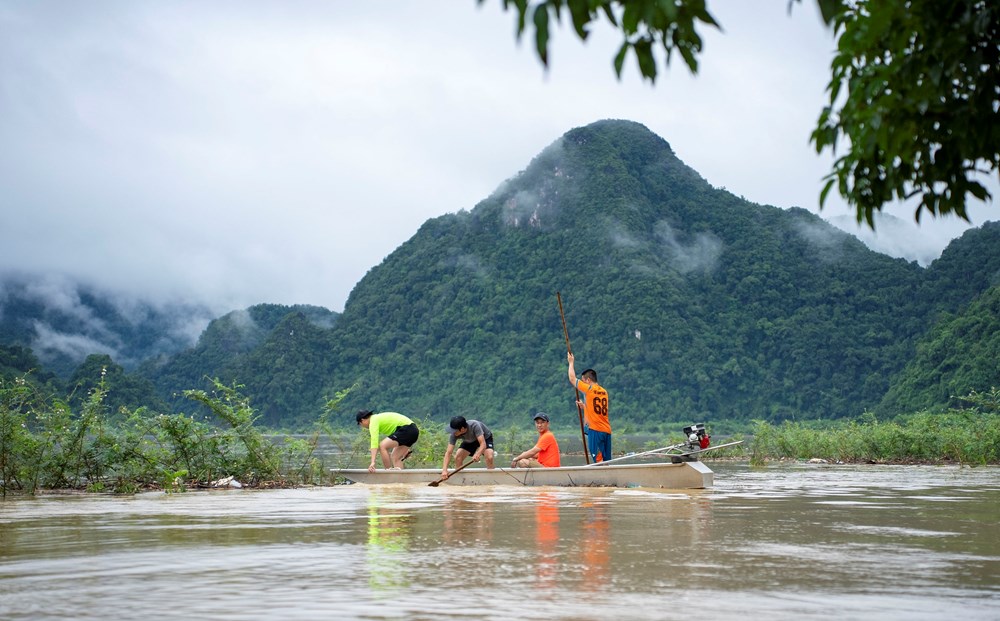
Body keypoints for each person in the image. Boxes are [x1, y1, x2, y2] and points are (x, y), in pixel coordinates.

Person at [568, 352, 611, 462]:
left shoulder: (589, 389)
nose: (583, 384)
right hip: (606, 430)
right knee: (606, 461)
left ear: (588, 380)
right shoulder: (604, 392)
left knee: (598, 461)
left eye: (583, 381)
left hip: (595, 430)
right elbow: (597, 409)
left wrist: (571, 362)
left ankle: (601, 479)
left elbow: (572, 379)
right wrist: (585, 407)